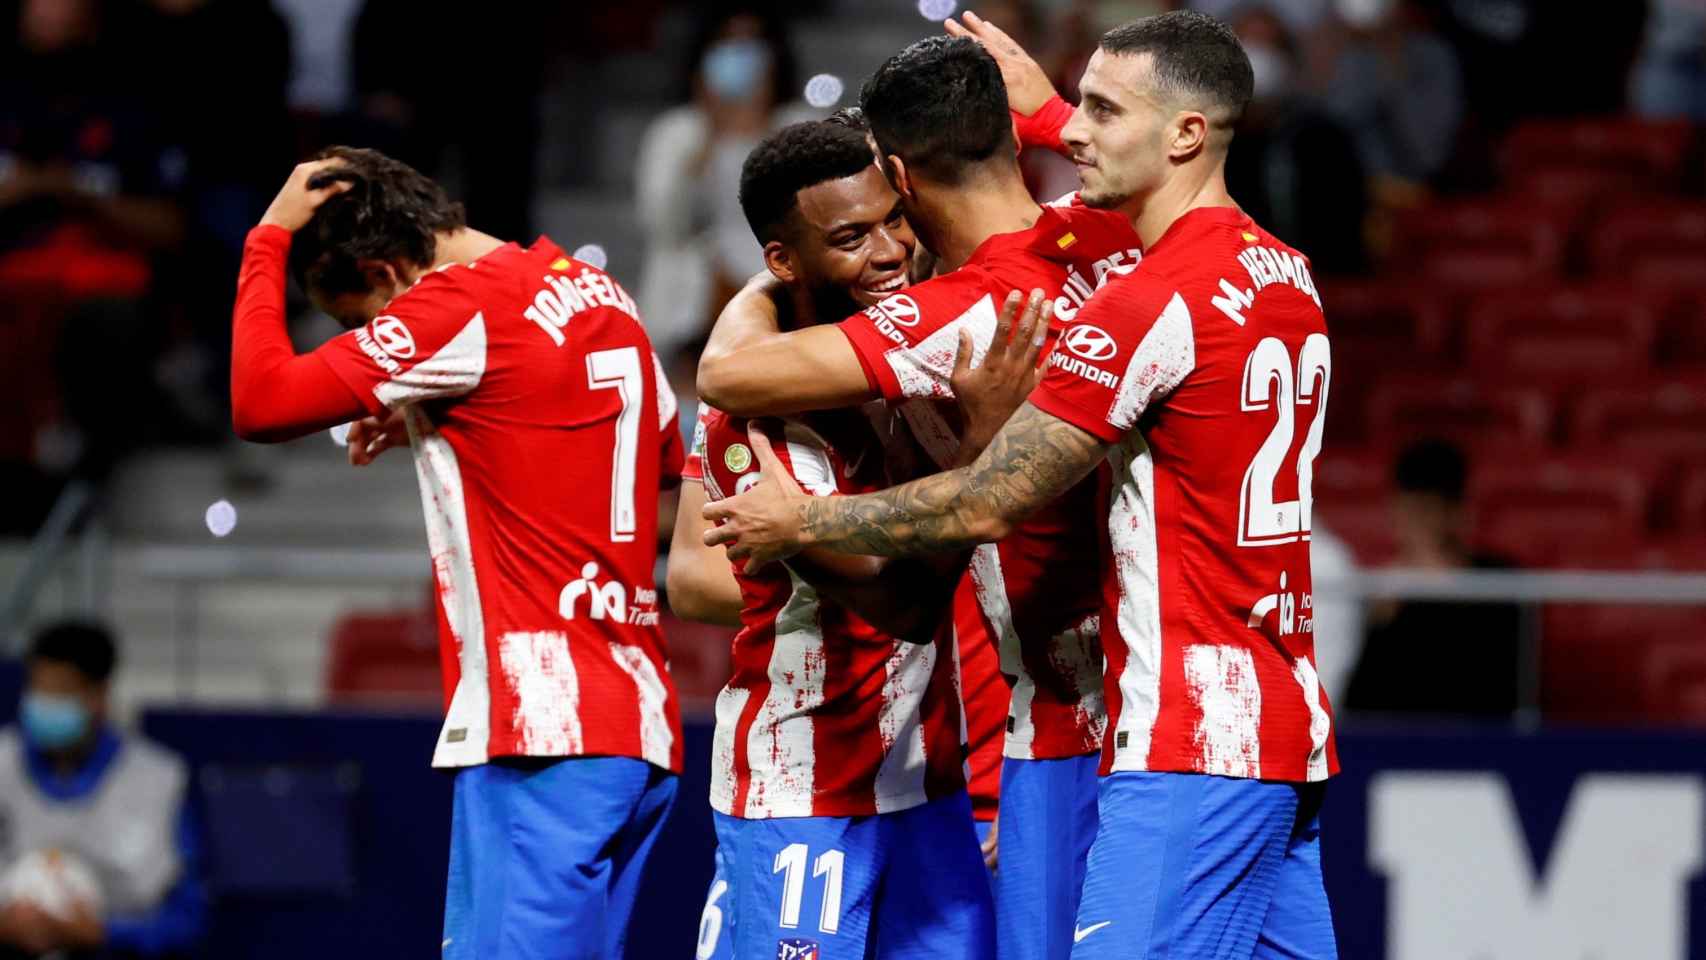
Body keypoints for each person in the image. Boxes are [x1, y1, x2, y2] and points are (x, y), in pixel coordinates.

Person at [706, 12, 1339, 959]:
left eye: (1099, 112)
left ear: (898, 175)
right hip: (1277, 710)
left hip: (1128, 725)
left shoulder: (994, 309)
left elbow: (728, 379)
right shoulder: (1255, 266)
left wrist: (776, 283)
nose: (1075, 130)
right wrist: (1046, 121)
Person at [697, 35, 1144, 960]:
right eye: (849, 239)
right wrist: (984, 459)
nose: (892, 252)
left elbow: (729, 369)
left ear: (904, 184)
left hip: (954, 771)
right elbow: (895, 603)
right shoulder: (769, 422)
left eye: (889, 221)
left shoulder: (944, 334)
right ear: (787, 260)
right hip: (809, 783)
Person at [227, 147, 684, 959]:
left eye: (364, 325)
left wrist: (265, 240)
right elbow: (660, 461)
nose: (375, 348)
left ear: (388, 269)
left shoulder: (456, 307)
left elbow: (261, 401)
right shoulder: (602, 293)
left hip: (544, 727)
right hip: (637, 726)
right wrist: (432, 421)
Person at [0, 622, 204, 959]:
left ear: (98, 695)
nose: (46, 705)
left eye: (61, 693)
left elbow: (188, 919)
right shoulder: (4, 762)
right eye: (39, 691)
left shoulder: (157, 780)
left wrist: (105, 933)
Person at [635, 6, 818, 364]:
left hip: (781, 310)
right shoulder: (675, 132)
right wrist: (710, 137)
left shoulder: (801, 125)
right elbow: (664, 227)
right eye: (728, 43)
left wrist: (762, 129)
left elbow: (815, 217)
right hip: (688, 317)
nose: (739, 54)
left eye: (751, 43)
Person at [1343, 439, 1519, 717]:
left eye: (1425, 511)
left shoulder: (1500, 585)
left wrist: (1436, 587)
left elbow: (1499, 692)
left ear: (1456, 513)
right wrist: (1378, 622)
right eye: (1405, 510)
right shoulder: (1376, 592)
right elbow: (1358, 704)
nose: (1412, 523)